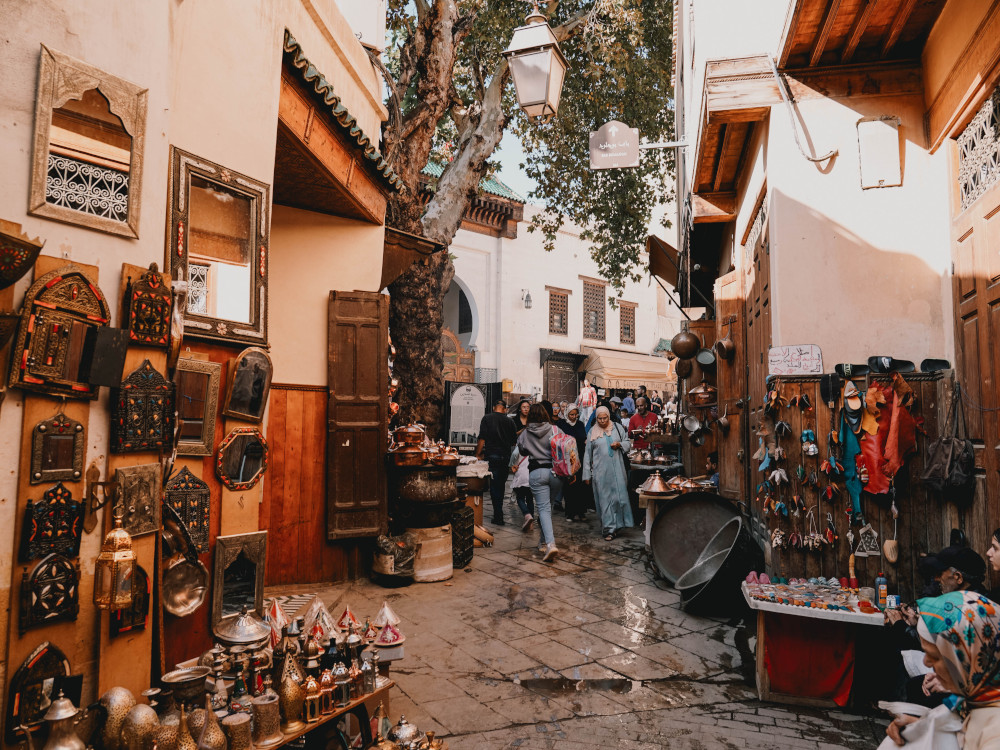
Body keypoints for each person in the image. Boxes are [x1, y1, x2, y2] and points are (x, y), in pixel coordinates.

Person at [885, 591, 1000, 748]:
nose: (926, 662)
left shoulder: (994, 733)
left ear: (967, 659)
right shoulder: (974, 700)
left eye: (936, 656)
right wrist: (921, 725)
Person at [515, 403, 561, 562]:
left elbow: (521, 450)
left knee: (543, 509)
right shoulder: (555, 430)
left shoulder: (525, 433)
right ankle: (542, 541)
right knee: (548, 508)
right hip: (556, 473)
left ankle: (550, 544)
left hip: (536, 473)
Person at [583, 406, 633, 541]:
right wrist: (586, 474)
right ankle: (608, 529)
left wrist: (620, 445)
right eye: (599, 418)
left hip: (617, 470)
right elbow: (587, 455)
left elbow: (628, 443)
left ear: (609, 417)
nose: (603, 421)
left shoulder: (617, 427)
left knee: (618, 498)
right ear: (596, 418)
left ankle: (618, 526)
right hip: (600, 472)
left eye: (605, 418)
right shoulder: (592, 432)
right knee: (604, 500)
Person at [476, 400, 518, 526]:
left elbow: (482, 438)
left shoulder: (487, 418)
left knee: (494, 486)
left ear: (494, 407)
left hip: (492, 455)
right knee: (500, 485)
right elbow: (513, 442)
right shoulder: (510, 421)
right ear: (504, 409)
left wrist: (478, 454)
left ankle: (498, 515)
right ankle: (498, 513)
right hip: (505, 457)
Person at [557, 405, 588, 522]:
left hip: (579, 458)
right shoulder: (562, 425)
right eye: (571, 415)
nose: (574, 417)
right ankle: (569, 512)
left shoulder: (580, 424)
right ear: (567, 414)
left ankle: (581, 512)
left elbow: (583, 438)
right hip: (567, 460)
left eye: (576, 414)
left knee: (580, 486)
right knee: (569, 486)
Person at [509, 447, 534, 531]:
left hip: (521, 475)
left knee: (520, 498)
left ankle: (527, 515)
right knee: (530, 499)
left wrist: (511, 464)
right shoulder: (533, 445)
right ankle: (531, 523)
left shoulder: (520, 445)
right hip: (531, 475)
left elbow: (514, 454)